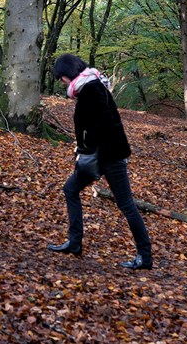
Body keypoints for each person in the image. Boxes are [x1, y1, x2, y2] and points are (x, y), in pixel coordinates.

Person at [47, 53, 153, 270]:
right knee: (70, 189)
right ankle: (75, 243)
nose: (61, 82)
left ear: (69, 73)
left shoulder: (92, 88)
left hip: (109, 156)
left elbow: (103, 122)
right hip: (96, 155)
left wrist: (86, 146)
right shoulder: (89, 86)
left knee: (126, 204)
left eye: (61, 77)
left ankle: (145, 256)